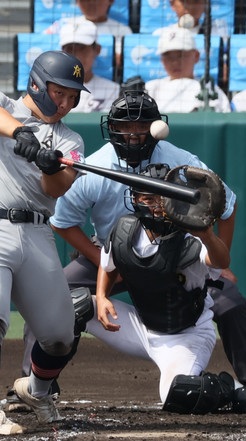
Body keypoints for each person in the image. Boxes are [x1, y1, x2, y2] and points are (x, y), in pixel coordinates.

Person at [13, 90, 246, 411]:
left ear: (156, 126)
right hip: (112, 248)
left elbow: (227, 204)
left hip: (177, 252)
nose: (134, 133)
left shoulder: (179, 160)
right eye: (125, 127)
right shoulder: (96, 168)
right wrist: (103, 261)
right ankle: (35, 383)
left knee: (230, 302)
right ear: (112, 129)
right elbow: (62, 222)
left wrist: (219, 258)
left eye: (142, 126)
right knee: (56, 294)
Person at [0, 50, 90, 435]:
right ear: (37, 83)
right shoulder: (1, 103)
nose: (65, 102)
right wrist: (20, 132)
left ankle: (36, 390)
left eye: (72, 96)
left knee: (61, 335)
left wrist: (51, 163)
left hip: (36, 232)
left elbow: (58, 186)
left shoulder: (71, 139)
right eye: (59, 91)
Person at [90, 162, 235, 413]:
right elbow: (108, 264)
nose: (154, 204)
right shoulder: (125, 228)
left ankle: (232, 389)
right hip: (141, 327)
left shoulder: (190, 237)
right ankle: (40, 388)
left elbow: (221, 261)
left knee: (178, 395)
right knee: (74, 306)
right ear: (134, 199)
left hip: (187, 334)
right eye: (147, 198)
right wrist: (102, 296)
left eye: (161, 198)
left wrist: (208, 235)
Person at [145, 27, 231, 113]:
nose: (174, 62)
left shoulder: (209, 90)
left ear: (196, 56)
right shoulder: (150, 88)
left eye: (181, 55)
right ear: (161, 60)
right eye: (168, 56)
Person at [44, 0, 132, 76]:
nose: (91, 2)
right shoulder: (62, 24)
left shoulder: (123, 30)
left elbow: (124, 61)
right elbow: (40, 45)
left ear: (111, 1)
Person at [59, 18, 120, 112]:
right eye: (70, 48)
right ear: (62, 51)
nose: (76, 55)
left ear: (97, 50)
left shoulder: (113, 90)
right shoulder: (51, 88)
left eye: (82, 48)